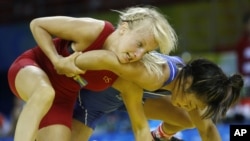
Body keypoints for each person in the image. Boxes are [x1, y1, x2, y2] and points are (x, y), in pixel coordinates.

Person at [7, 6, 177, 141]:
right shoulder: (95, 30)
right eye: (139, 44)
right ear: (124, 28)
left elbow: (140, 128)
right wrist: (56, 59)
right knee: (45, 92)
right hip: (32, 68)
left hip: (62, 99)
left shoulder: (124, 74)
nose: (138, 55)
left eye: (146, 52)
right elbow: (37, 24)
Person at [71, 54, 244, 141]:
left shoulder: (190, 82)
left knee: (189, 120)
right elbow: (111, 63)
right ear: (188, 84)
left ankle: (160, 136)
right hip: (92, 101)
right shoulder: (156, 74)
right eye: (190, 103)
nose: (187, 107)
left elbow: (208, 130)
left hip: (124, 99)